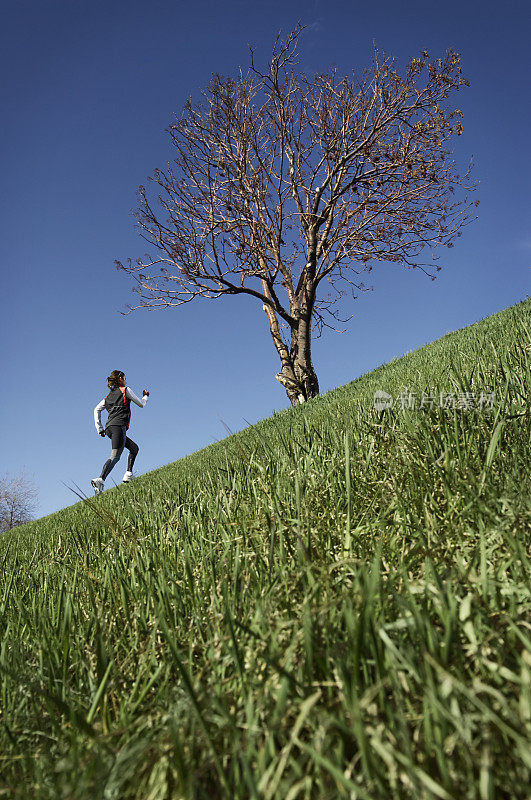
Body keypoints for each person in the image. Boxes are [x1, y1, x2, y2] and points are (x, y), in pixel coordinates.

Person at [91, 370, 150, 494]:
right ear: (120, 379)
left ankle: (128, 474)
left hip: (109, 429)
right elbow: (141, 404)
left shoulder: (107, 397)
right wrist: (146, 396)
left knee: (134, 448)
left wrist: (100, 428)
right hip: (118, 426)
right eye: (124, 378)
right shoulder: (125, 390)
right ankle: (100, 479)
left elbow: (96, 409)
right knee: (115, 456)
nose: (126, 380)